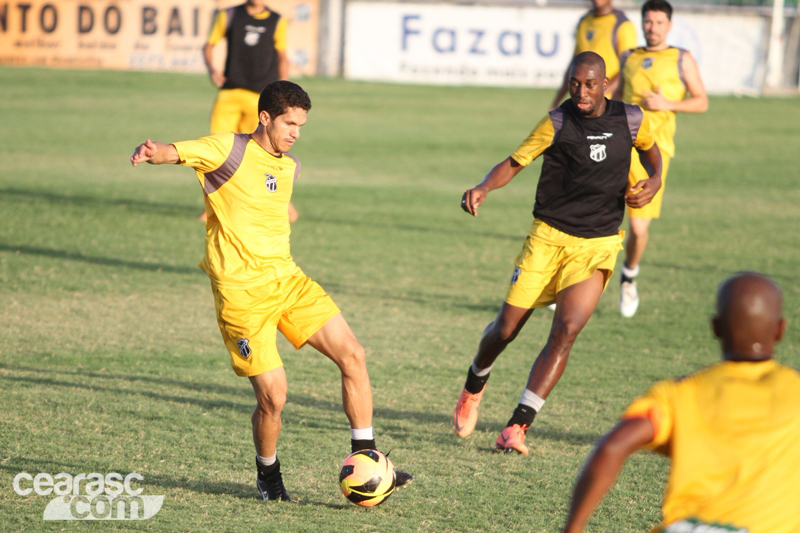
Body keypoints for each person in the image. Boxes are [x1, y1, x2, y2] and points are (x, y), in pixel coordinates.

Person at [130, 81, 411, 501]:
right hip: (242, 296)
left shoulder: (289, 165)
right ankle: (269, 475)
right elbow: (177, 152)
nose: (296, 132)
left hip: (288, 281)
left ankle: (367, 459)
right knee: (274, 398)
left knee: (353, 354)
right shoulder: (228, 150)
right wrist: (155, 152)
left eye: (301, 125)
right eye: (289, 123)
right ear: (265, 117)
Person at [453, 52, 662, 454]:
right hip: (547, 239)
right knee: (505, 329)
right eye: (574, 84)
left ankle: (517, 426)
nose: (581, 92)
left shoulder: (631, 118)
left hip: (598, 244)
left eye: (589, 84)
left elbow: (651, 150)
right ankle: (474, 384)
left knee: (565, 331)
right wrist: (483, 187)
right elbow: (515, 162)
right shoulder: (557, 122)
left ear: (605, 85)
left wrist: (655, 179)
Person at [562, 272, 800, 533]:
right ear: (780, 330)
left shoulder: (680, 394)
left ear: (715, 328)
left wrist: (573, 528)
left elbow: (613, 446)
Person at [614, 0, 707, 317]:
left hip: (653, 156)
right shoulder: (629, 57)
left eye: (658, 22)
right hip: (617, 149)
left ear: (669, 25)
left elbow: (701, 101)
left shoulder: (681, 58)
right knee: (590, 215)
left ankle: (629, 276)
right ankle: (566, 279)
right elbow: (616, 97)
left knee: (638, 229)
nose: (652, 27)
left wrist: (667, 104)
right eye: (648, 21)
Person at [201, 0, 297, 224]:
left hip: (260, 98)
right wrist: (212, 70)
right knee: (219, 151)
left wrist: (283, 89)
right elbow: (209, 45)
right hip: (229, 94)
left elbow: (282, 57)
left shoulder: (277, 21)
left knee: (260, 154)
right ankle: (215, 207)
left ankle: (284, 205)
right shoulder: (229, 15)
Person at [550, 0, 638, 110]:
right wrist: (557, 101)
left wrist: (600, 94)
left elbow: (628, 68)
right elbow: (574, 64)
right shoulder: (584, 22)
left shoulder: (622, 25)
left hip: (607, 106)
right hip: (583, 104)